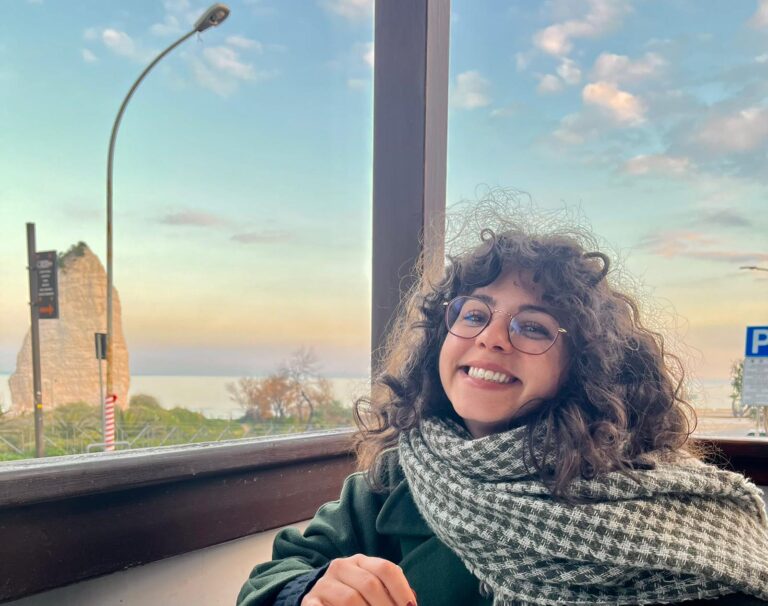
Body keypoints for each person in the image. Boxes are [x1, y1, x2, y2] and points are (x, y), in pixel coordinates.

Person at [237, 204, 768, 606]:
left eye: (531, 327)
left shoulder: (662, 506)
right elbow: (275, 576)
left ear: (586, 364)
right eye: (474, 314)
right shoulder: (391, 481)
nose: (491, 337)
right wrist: (310, 591)